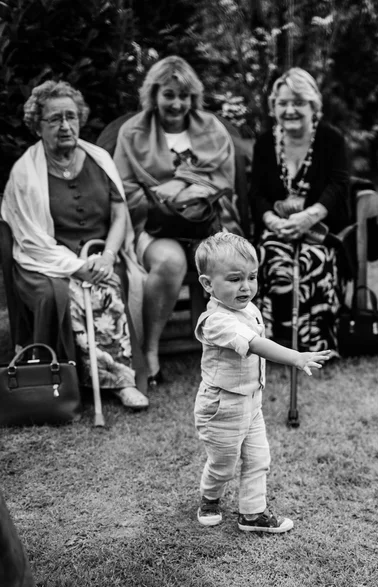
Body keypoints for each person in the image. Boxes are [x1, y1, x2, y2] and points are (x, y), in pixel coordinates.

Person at [2, 80, 149, 410]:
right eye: (54, 119)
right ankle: (70, 379)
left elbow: (119, 211)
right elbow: (30, 238)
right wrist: (75, 266)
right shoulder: (25, 173)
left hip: (102, 255)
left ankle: (120, 381)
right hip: (49, 259)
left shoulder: (98, 158)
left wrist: (109, 256)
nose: (65, 125)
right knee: (67, 292)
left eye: (71, 116)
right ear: (37, 126)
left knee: (105, 285)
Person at [192, 232, 332, 532]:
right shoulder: (215, 321)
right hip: (222, 407)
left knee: (259, 458)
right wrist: (296, 357)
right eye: (234, 279)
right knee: (223, 465)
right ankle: (210, 499)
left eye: (252, 277)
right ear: (207, 284)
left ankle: (252, 514)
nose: (246, 287)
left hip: (251, 402)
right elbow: (254, 344)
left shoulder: (250, 308)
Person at [114, 55, 241, 385]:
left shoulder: (211, 128)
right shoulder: (133, 132)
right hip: (155, 226)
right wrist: (165, 202)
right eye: (169, 94)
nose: (176, 103)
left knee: (227, 261)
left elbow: (224, 180)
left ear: (193, 97)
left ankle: (229, 348)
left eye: (183, 96)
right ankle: (151, 349)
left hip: (206, 222)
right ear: (154, 95)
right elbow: (124, 188)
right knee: (170, 262)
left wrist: (185, 189)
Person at [250, 67, 350, 356]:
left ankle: (316, 344)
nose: (290, 109)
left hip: (320, 230)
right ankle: (275, 344)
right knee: (272, 256)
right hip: (276, 229)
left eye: (298, 102)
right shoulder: (265, 143)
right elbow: (256, 193)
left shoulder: (331, 139)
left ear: (313, 106)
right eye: (283, 103)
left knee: (312, 260)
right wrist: (271, 220)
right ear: (274, 107)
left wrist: (309, 217)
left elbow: (338, 185)